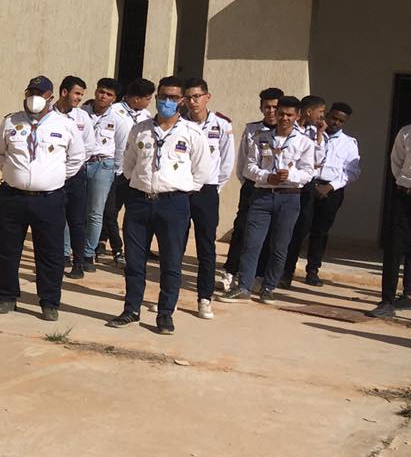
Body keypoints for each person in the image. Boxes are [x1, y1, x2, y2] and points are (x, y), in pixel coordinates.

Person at [107, 77, 207, 335]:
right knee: (134, 261)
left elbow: (201, 173)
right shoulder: (139, 130)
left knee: (171, 263)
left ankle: (165, 314)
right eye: (163, 96)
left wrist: (176, 190)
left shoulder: (192, 133)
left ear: (181, 101)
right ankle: (131, 309)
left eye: (173, 97)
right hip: (139, 203)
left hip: (173, 204)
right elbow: (128, 165)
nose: (167, 102)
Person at [0, 76, 86, 320]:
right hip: (14, 197)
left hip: (49, 199)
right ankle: (7, 296)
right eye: (31, 92)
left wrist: (53, 177)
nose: (34, 97)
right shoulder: (11, 121)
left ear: (50, 97)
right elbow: (0, 152)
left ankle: (49, 302)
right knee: (7, 250)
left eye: (40, 93)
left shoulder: (65, 124)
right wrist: (14, 174)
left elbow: (76, 157)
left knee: (50, 253)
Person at [222, 95, 314, 303]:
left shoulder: (304, 143)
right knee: (252, 243)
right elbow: (249, 167)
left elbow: (308, 173)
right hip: (262, 197)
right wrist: (266, 177)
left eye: (289, 115)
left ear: (297, 116)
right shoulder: (261, 138)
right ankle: (244, 286)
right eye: (281, 113)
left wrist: (289, 176)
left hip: (289, 198)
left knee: (279, 246)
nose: (284, 118)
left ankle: (269, 287)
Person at [284, 99, 357, 287]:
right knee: (299, 229)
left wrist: (330, 186)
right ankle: (287, 272)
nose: (335, 123)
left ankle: (312, 271)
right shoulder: (308, 133)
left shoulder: (349, 143)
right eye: (333, 118)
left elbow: (352, 171)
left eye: (341, 121)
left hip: (331, 191)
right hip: (308, 186)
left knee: (320, 232)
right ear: (327, 115)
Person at [181, 78, 234, 320]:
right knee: (175, 244)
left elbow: (227, 162)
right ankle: (169, 297)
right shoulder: (179, 123)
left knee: (206, 247)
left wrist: (214, 189)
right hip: (181, 190)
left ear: (207, 97)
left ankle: (205, 298)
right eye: (188, 97)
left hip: (207, 191)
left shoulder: (221, 124)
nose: (193, 101)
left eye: (197, 96)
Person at [221, 88, 283, 288]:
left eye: (275, 107)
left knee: (270, 234)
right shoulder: (252, 130)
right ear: (261, 107)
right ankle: (231, 271)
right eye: (267, 107)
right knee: (241, 228)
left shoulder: (287, 133)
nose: (271, 111)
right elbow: (242, 162)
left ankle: (259, 274)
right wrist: (249, 182)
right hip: (253, 186)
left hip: (276, 190)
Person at [103, 79, 155, 267]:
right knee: (110, 211)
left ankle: (140, 248)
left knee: (134, 213)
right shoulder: (114, 111)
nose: (150, 101)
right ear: (136, 99)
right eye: (147, 98)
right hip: (115, 170)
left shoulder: (147, 116)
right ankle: (113, 247)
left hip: (135, 173)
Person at [372, 110, 411, 318]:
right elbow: (396, 162)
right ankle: (387, 301)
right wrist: (406, 184)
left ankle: (409, 295)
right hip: (405, 195)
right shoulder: (406, 132)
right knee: (394, 247)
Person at [55, 75, 96, 278]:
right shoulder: (48, 114)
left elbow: (88, 147)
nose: (79, 98)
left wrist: (71, 167)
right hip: (52, 177)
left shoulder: (82, 117)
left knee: (77, 221)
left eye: (81, 94)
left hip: (75, 176)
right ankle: (56, 261)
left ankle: (78, 263)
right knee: (54, 221)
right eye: (77, 93)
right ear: (64, 92)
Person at [80, 77, 123, 270]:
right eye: (101, 92)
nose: (103, 96)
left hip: (103, 165)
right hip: (81, 164)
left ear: (114, 98)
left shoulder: (118, 119)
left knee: (95, 212)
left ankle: (88, 254)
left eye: (109, 94)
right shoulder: (82, 113)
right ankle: (67, 251)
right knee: (74, 210)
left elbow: (121, 147)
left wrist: (114, 171)